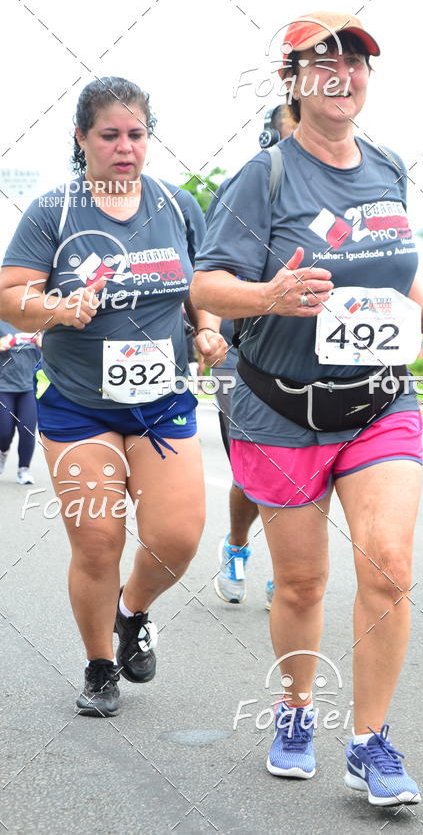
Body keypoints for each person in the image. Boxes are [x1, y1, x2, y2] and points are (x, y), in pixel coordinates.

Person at [192, 11, 423, 806]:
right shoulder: (264, 177)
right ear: (295, 79)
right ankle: (294, 709)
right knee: (303, 585)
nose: (343, 73)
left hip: (379, 401)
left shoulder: (385, 164)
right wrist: (268, 296)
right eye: (324, 61)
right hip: (281, 408)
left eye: (356, 61)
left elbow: (394, 265)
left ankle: (369, 741)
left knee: (388, 565)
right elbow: (206, 284)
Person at [0, 76, 226, 717]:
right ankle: (100, 666)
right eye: (110, 135)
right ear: (82, 138)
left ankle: (134, 612)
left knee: (177, 538)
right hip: (78, 404)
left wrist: (208, 332)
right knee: (98, 539)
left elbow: (201, 287)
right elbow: (10, 298)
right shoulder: (54, 212)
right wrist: (56, 308)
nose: (125, 148)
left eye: (136, 135)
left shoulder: (179, 207)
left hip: (160, 400)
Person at [211, 103, 298, 608]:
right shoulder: (250, 184)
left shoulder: (343, 183)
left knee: (307, 469)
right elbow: (210, 278)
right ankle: (238, 545)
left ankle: (290, 569)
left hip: (314, 356)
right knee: (256, 467)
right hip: (239, 352)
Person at [0, 323, 41, 484]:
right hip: (4, 386)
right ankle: (2, 452)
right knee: (4, 431)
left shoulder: (36, 320)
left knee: (27, 430)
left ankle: (24, 469)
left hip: (29, 386)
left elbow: (53, 353)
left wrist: (44, 345)